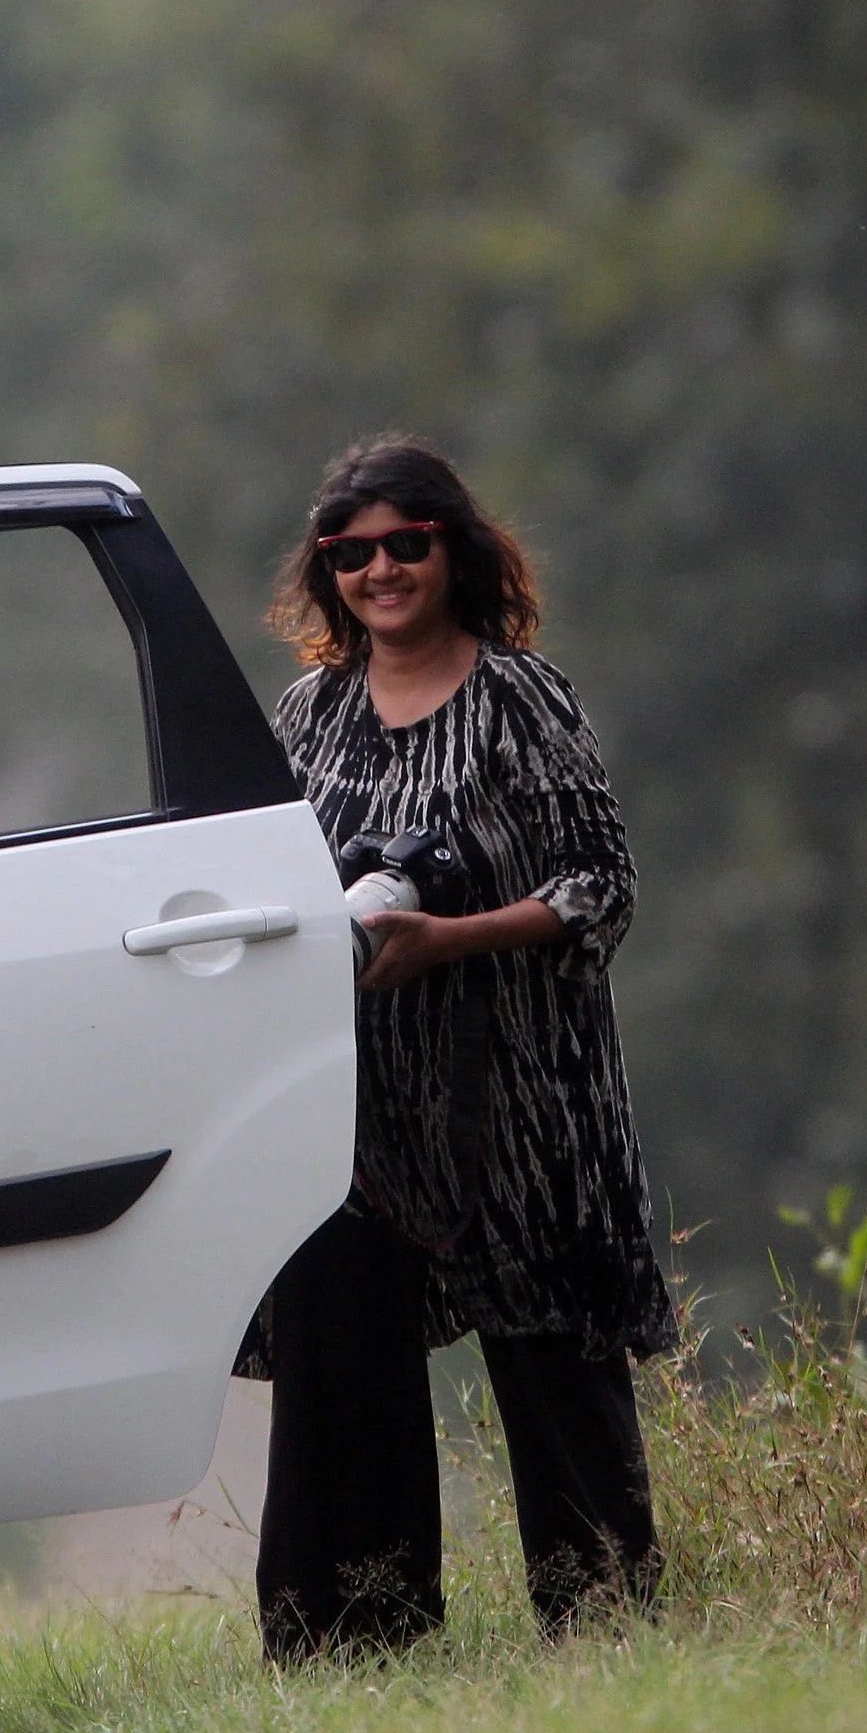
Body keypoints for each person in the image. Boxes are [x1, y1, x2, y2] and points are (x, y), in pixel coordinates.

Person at [247, 435, 678, 1660]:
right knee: (339, 1374)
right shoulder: (309, 709)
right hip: (361, 1113)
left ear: (453, 548)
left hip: (529, 1103)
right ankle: (351, 1649)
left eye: (404, 545)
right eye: (351, 553)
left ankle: (604, 1633)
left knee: (553, 1369)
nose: (380, 571)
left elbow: (603, 885)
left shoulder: (519, 697)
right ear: (326, 571)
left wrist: (451, 936)